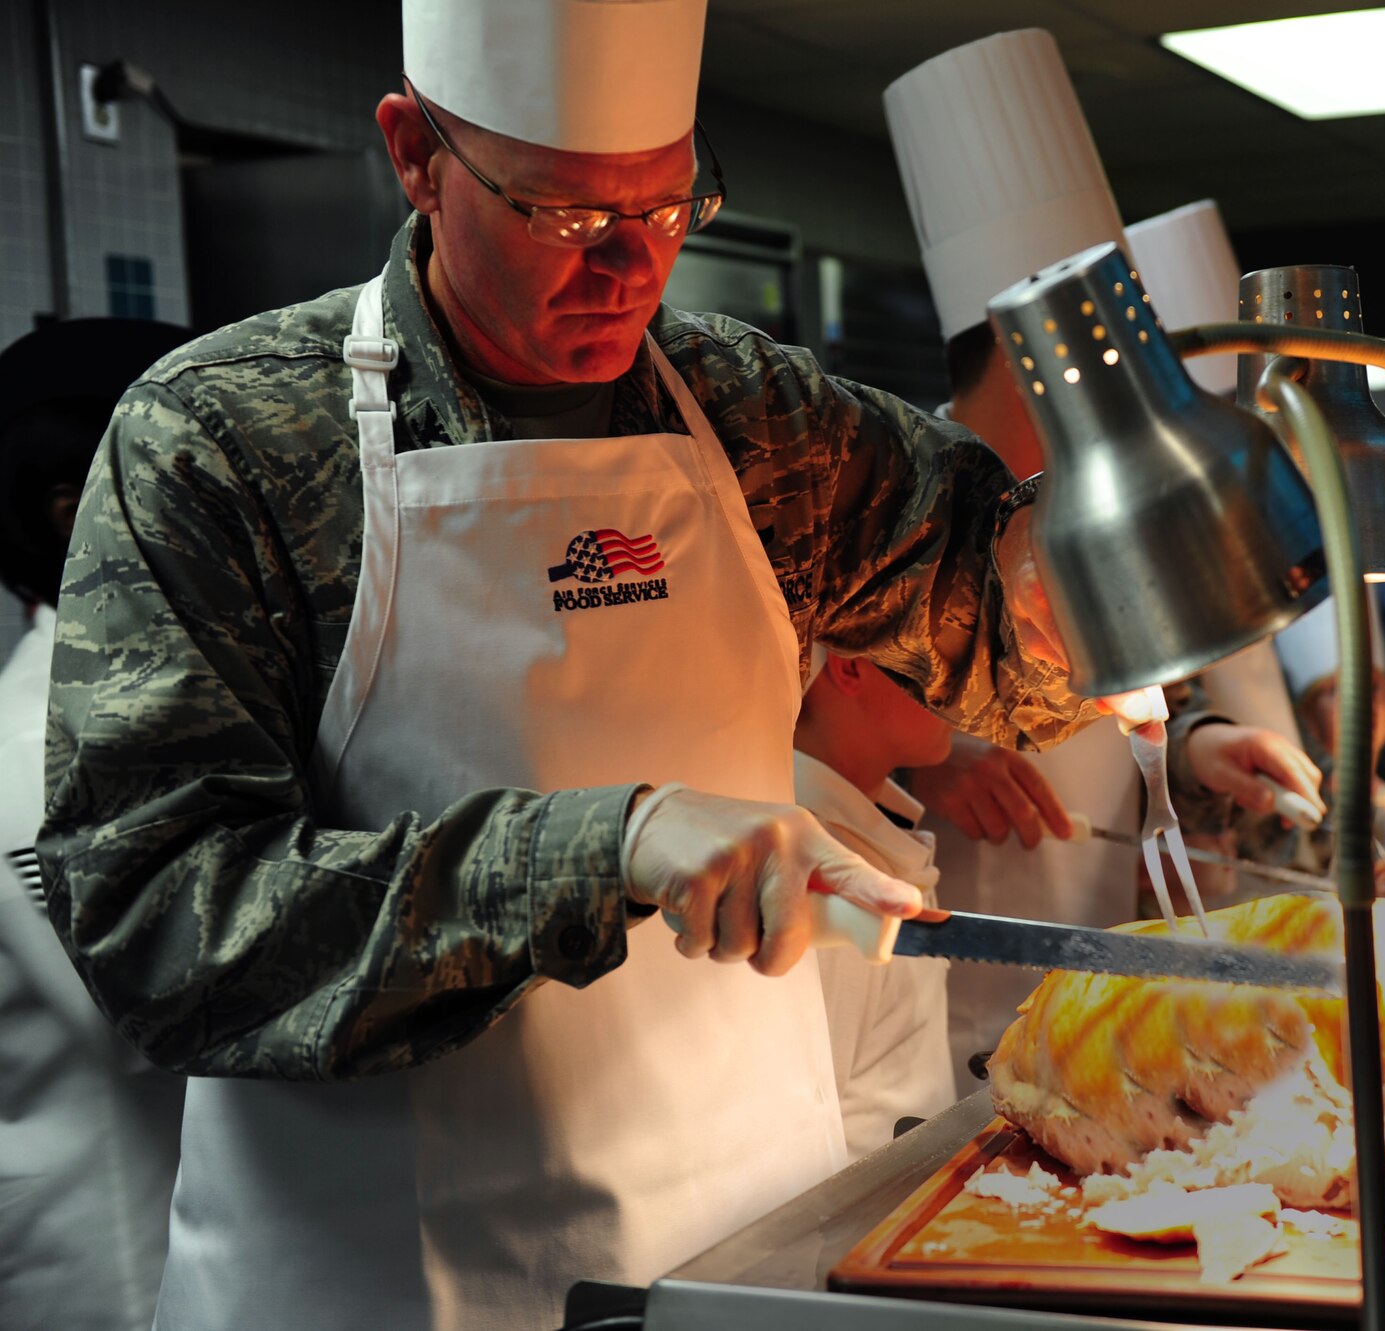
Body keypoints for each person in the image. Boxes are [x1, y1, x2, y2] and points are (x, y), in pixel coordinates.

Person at [38, 5, 1105, 1329]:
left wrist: (1118, 540)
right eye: (563, 217)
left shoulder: (749, 414)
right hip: (382, 1282)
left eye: (666, 208)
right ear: (416, 155)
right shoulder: (226, 438)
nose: (628, 271)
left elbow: (999, 628)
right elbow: (160, 926)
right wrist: (599, 850)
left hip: (735, 1251)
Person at [886, 32, 1324, 1092]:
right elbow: (787, 718)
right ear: (1028, 335)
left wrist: (1198, 744)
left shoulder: (1099, 490)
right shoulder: (885, 503)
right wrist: (931, 756)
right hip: (931, 1010)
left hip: (1091, 971)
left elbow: (1139, 681)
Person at [0, 317, 191, 1331]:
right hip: (116, 1270)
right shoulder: (46, 742)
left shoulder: (168, 701)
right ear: (84, 516)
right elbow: (175, 1010)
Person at [793, 646, 955, 1162]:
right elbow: (803, 1129)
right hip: (862, 1231)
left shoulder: (863, 825)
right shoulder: (814, 863)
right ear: (849, 665)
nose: (965, 687)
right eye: (943, 651)